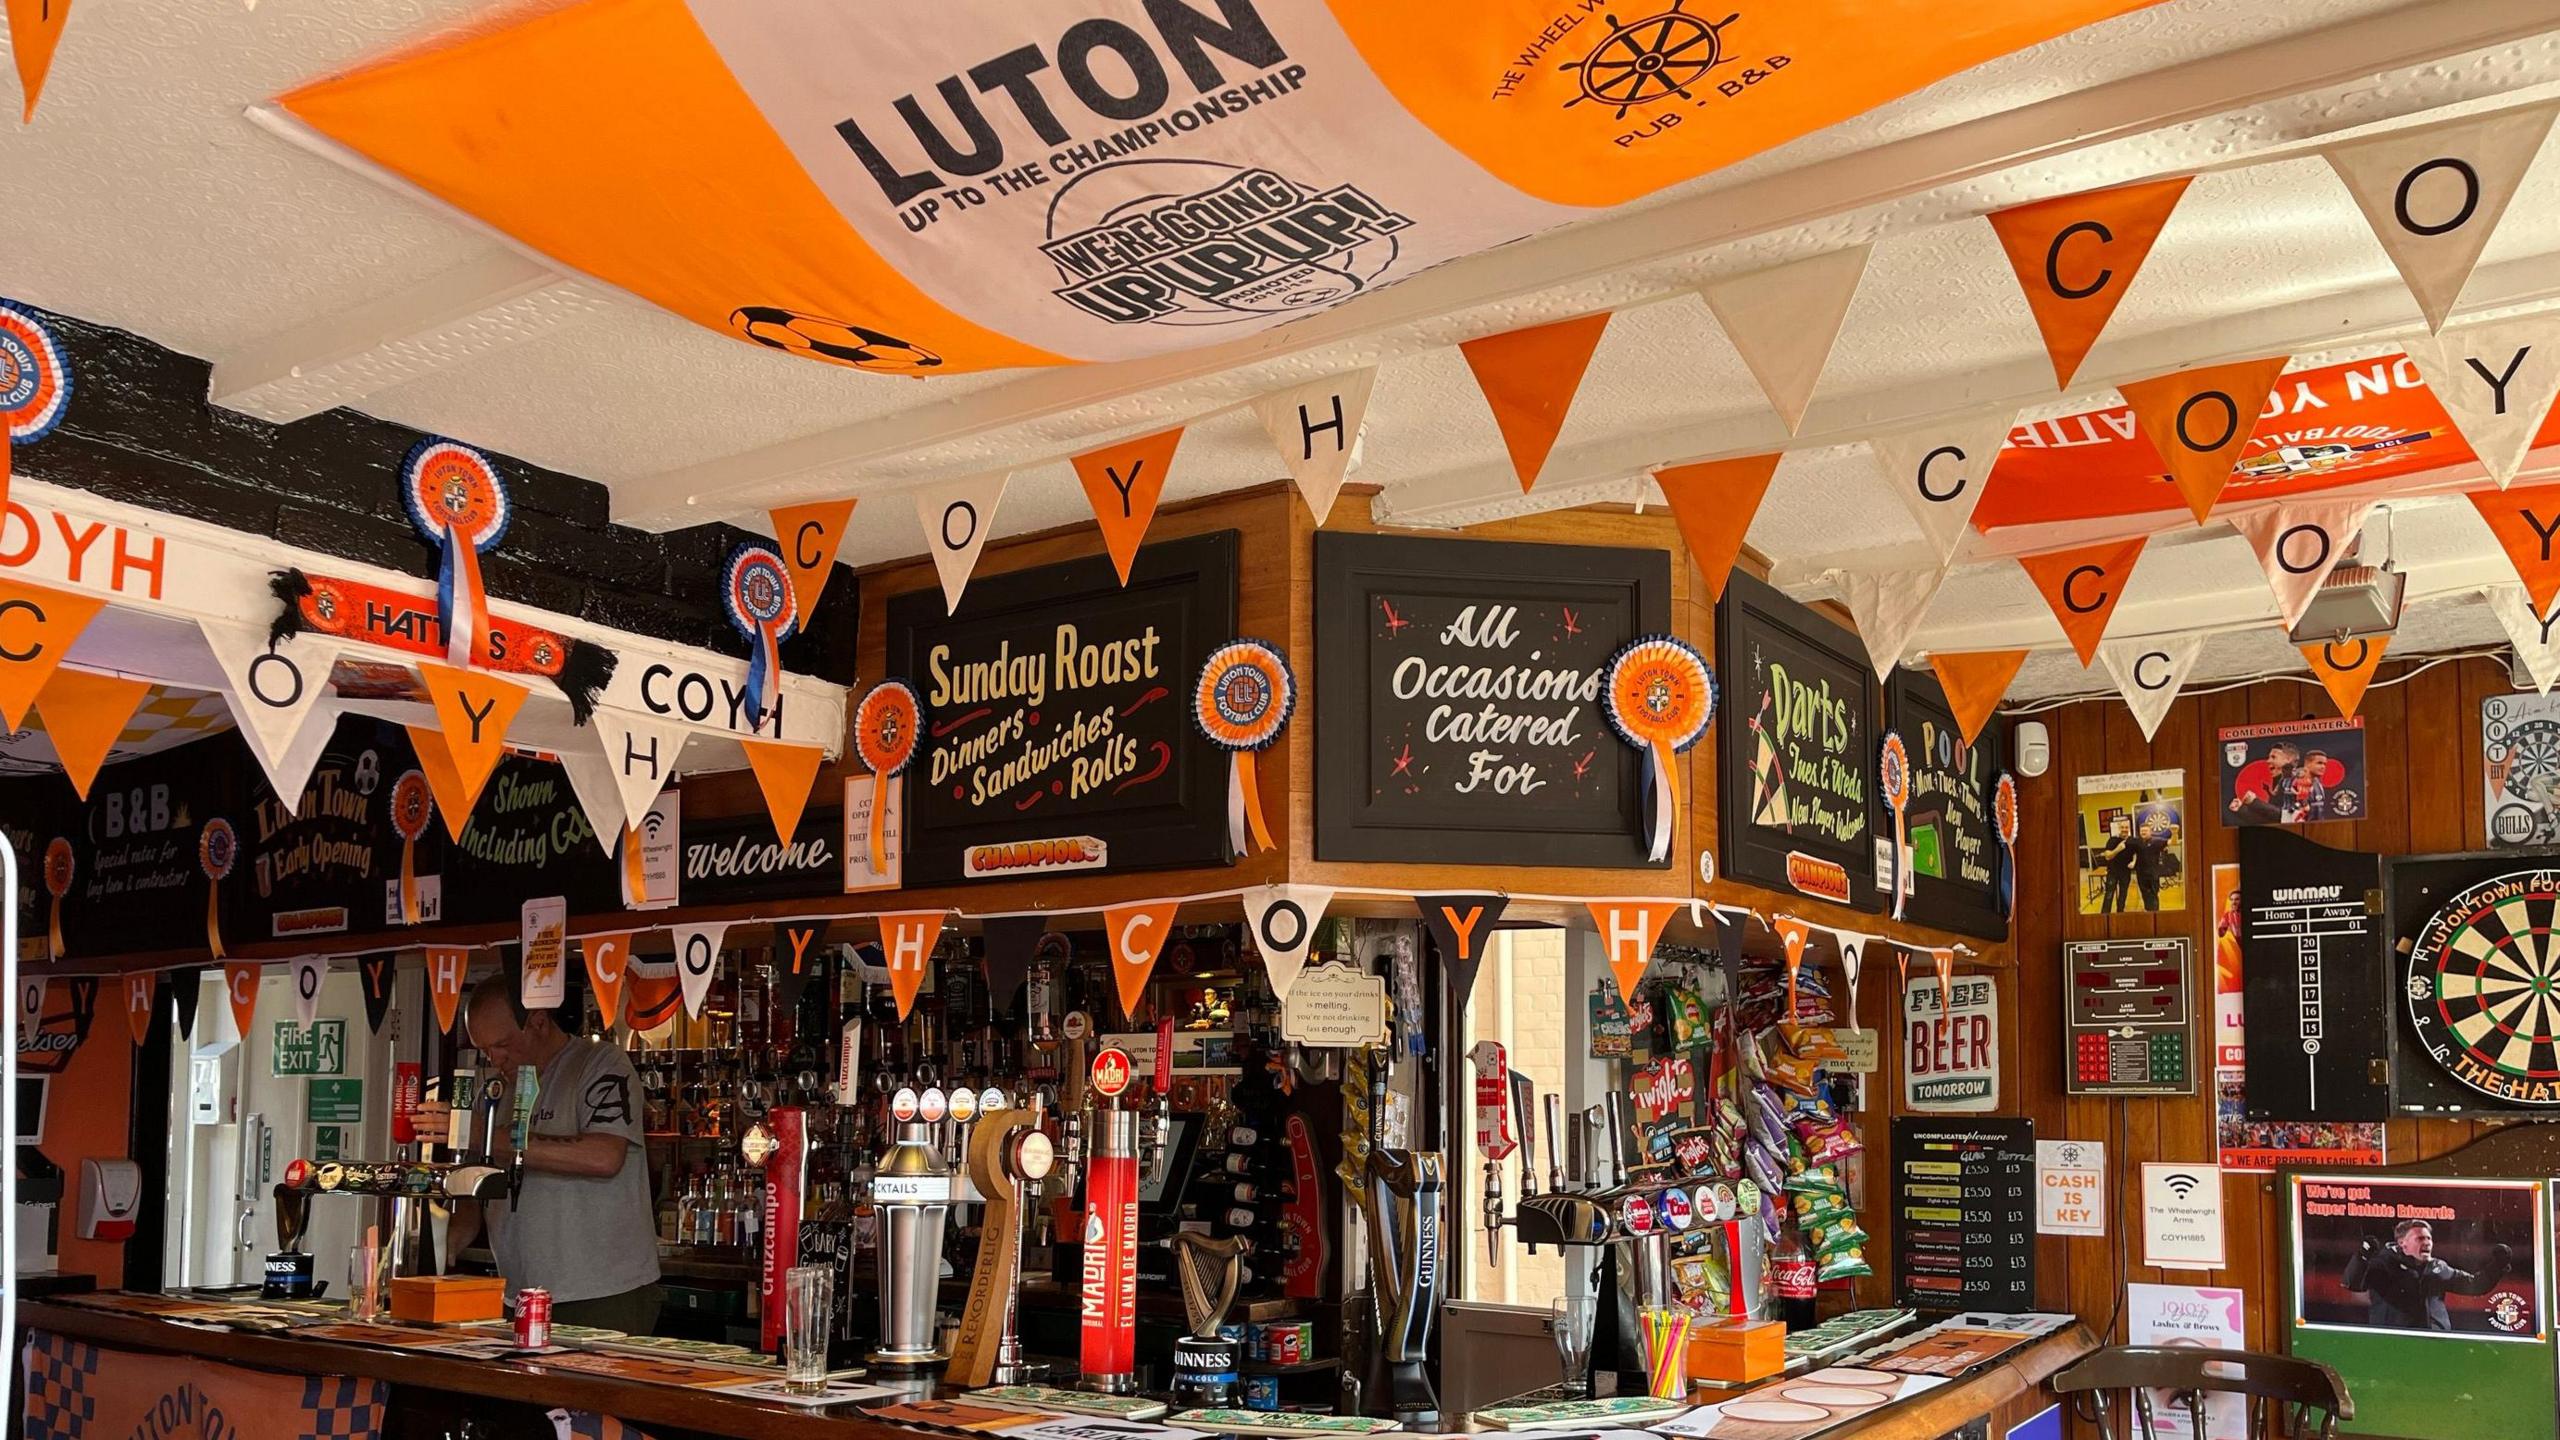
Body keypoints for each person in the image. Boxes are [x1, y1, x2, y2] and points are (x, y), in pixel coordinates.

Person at [414, 974, 663, 1333]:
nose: (495, 1058)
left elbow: (604, 1157)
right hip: (518, 1294)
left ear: (539, 1021)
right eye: (484, 1050)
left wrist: (479, 1134)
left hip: (602, 1292)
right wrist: (442, 1244)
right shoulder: (493, 1090)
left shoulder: (599, 1064)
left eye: (502, 1044)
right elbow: (477, 1189)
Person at [2342, 1219, 2511, 1331]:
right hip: (2394, 1345)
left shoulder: (2438, 1267)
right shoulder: (2383, 1265)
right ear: (2403, 1244)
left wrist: (2497, 1265)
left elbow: (2475, 1285)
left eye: (2429, 1238)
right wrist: (2362, 1257)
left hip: (2437, 1344)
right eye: (2420, 1239)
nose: (2427, 1243)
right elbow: (2352, 1284)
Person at [2129, 812, 2171, 912]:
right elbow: (2134, 852)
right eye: (2142, 831)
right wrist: (2133, 862)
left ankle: (2155, 915)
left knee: (2153, 895)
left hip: (2153, 874)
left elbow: (2172, 842)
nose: (2143, 832)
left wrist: (2174, 833)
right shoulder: (2137, 842)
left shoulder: (2156, 841)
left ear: (2150, 831)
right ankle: (2148, 912)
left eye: (2146, 831)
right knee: (2145, 895)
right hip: (2141, 874)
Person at [2097, 815, 2136, 913]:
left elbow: (2136, 852)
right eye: (2122, 827)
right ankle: (2104, 916)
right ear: (2119, 828)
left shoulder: (2132, 841)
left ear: (2129, 828)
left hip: (2125, 872)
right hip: (2113, 872)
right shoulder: (2112, 840)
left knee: (2123, 895)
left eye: (2126, 827)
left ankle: (2120, 914)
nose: (2124, 829)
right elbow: (2107, 856)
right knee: (2109, 895)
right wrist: (2117, 849)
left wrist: (2134, 861)